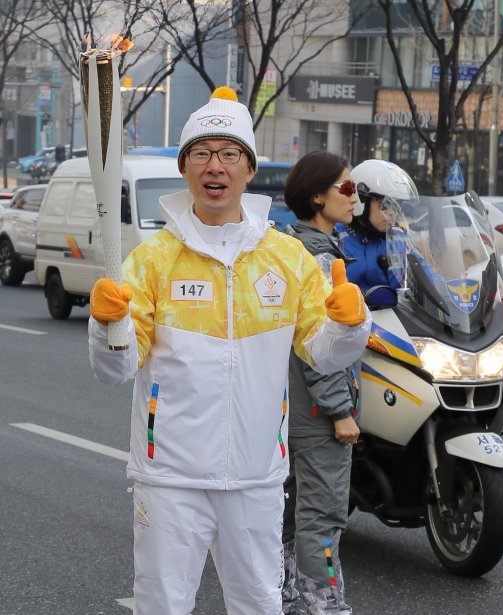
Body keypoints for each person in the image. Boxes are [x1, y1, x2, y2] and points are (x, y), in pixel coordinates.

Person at [87, 86, 372, 615]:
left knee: (259, 605)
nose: (214, 165)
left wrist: (349, 327)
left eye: (228, 153)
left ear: (247, 168)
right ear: (185, 167)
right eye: (202, 153)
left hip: (257, 476)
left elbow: (323, 354)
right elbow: (115, 369)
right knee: (163, 606)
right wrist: (109, 326)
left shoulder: (287, 260)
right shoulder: (152, 262)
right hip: (170, 476)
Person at [281, 151, 361, 615]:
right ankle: (324, 605)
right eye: (346, 189)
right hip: (317, 410)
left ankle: (286, 598)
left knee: (291, 513)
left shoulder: (291, 246)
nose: (354, 198)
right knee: (323, 516)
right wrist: (339, 409)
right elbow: (317, 343)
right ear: (317, 195)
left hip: (291, 405)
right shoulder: (320, 257)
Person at [338, 159, 419, 292]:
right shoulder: (338, 239)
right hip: (353, 312)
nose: (392, 213)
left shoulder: (400, 239)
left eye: (395, 206)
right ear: (361, 201)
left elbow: (427, 273)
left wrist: (446, 291)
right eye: (385, 205)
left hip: (396, 312)